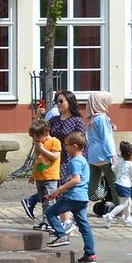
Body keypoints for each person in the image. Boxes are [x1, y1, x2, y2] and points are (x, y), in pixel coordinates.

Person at [44, 132, 96, 263]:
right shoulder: (84, 160)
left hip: (73, 196)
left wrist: (59, 190)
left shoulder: (75, 161)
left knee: (50, 212)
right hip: (82, 198)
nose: (65, 148)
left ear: (74, 146)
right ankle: (90, 254)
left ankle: (62, 235)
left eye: (66, 145)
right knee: (84, 227)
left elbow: (76, 180)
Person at [48, 91, 84, 232]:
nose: (58, 103)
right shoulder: (54, 120)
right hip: (55, 158)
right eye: (57, 101)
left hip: (70, 160)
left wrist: (81, 161)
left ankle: (68, 220)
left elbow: (82, 142)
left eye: (61, 101)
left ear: (70, 102)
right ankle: (66, 220)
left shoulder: (76, 120)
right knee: (57, 188)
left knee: (64, 189)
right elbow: (45, 134)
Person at [21, 119, 61, 224]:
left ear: (46, 133)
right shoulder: (38, 143)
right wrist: (33, 175)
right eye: (33, 137)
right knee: (43, 201)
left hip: (50, 177)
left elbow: (55, 157)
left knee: (50, 200)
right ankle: (45, 220)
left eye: (37, 137)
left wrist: (42, 149)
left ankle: (51, 221)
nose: (35, 139)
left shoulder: (54, 142)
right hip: (40, 177)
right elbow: (36, 160)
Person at [85, 92, 120, 209]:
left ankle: (78, 205)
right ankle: (119, 207)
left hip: (92, 156)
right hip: (104, 156)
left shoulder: (92, 119)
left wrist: (110, 127)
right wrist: (113, 155)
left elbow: (94, 136)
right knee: (115, 182)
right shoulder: (102, 118)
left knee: (91, 184)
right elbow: (106, 139)